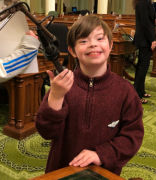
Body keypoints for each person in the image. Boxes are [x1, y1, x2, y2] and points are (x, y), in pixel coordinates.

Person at [35, 15, 144, 176]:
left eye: (100, 38)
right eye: (83, 41)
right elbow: (46, 132)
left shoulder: (125, 91)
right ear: (72, 50)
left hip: (103, 172)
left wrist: (102, 154)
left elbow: (132, 136)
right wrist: (56, 97)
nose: (93, 44)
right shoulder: (62, 86)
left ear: (111, 45)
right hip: (62, 169)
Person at [133, 0, 156, 104]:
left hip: (144, 39)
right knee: (143, 67)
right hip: (145, 40)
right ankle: (137, 95)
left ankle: (141, 91)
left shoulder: (145, 2)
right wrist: (152, 39)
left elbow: (147, 21)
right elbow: (144, 23)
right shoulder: (143, 2)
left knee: (142, 66)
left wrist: (154, 21)